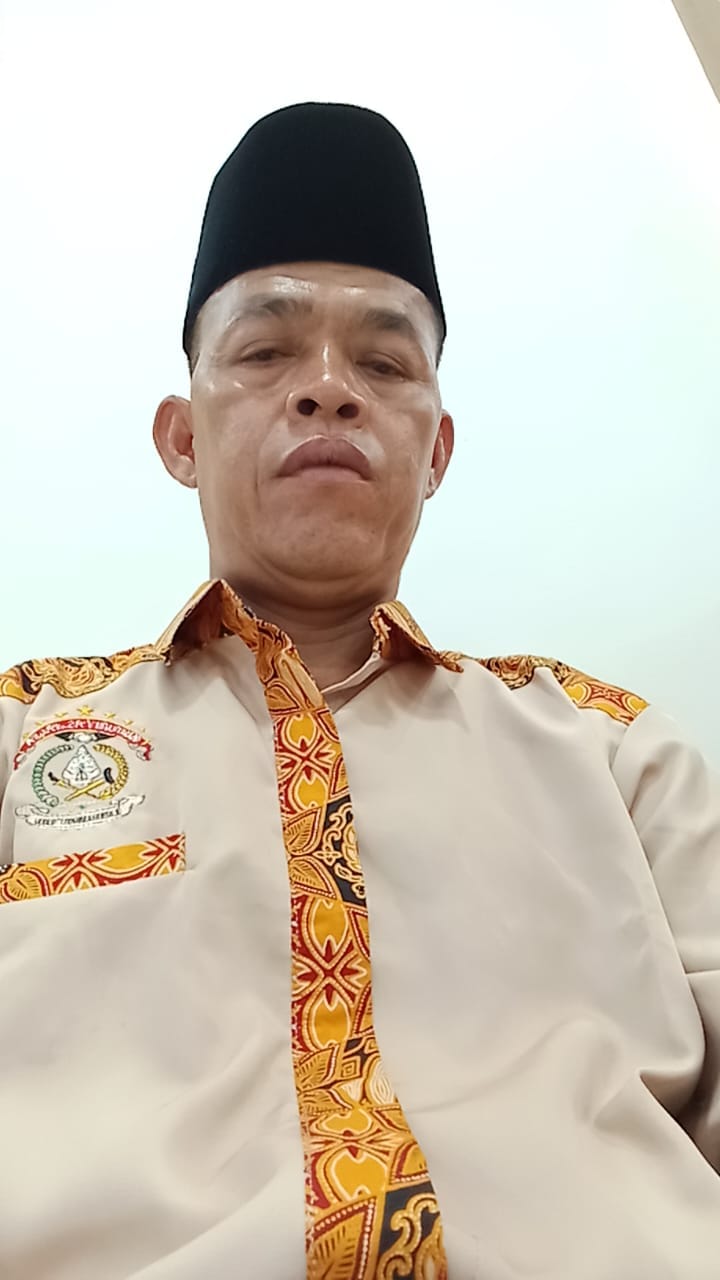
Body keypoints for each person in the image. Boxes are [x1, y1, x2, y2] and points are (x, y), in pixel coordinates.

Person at [0, 102, 718, 1280]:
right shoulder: (23, 734)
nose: (327, 388)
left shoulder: (617, 753)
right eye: (265, 352)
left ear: (436, 450)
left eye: (383, 363)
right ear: (181, 437)